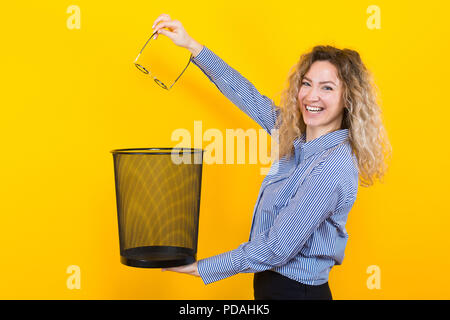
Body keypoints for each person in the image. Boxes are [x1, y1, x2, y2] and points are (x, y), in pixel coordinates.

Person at [152, 13, 392, 300]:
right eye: (307, 83)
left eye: (327, 87)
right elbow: (246, 94)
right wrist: (191, 45)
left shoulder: (332, 167)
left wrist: (202, 268)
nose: (311, 96)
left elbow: (278, 247)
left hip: (296, 292)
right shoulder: (295, 135)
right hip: (273, 285)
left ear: (348, 99)